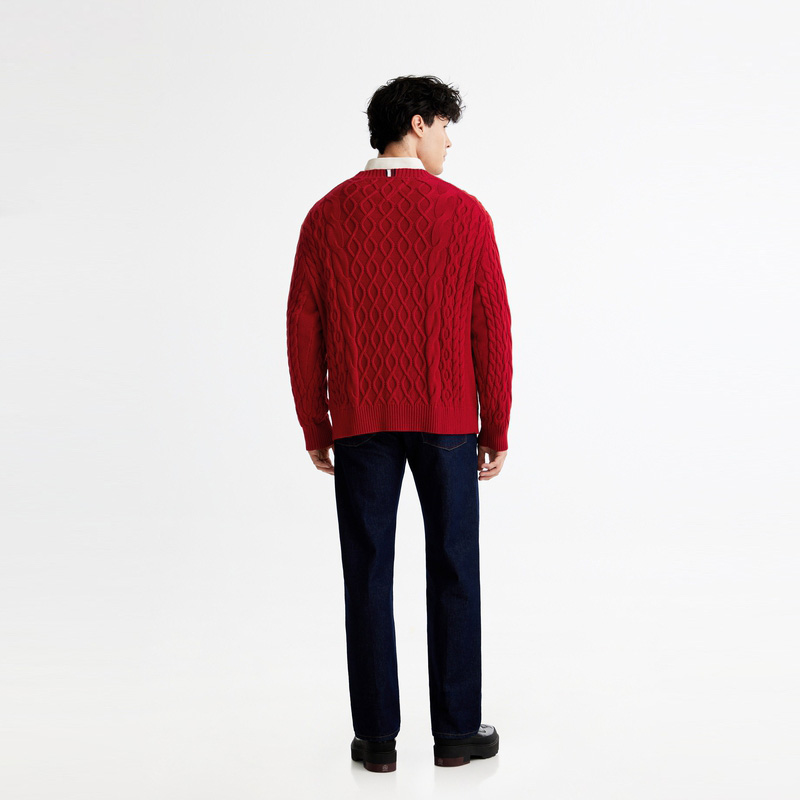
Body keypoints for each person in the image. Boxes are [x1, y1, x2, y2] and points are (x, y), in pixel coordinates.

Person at [286, 75, 512, 770]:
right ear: (417, 124)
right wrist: (496, 426)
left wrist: (316, 425)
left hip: (360, 423)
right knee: (455, 568)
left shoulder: (326, 215)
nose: (448, 143)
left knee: (366, 574)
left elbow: (302, 328)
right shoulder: (465, 213)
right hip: (448, 421)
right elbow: (492, 327)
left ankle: (377, 740)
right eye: (444, 127)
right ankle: (457, 733)